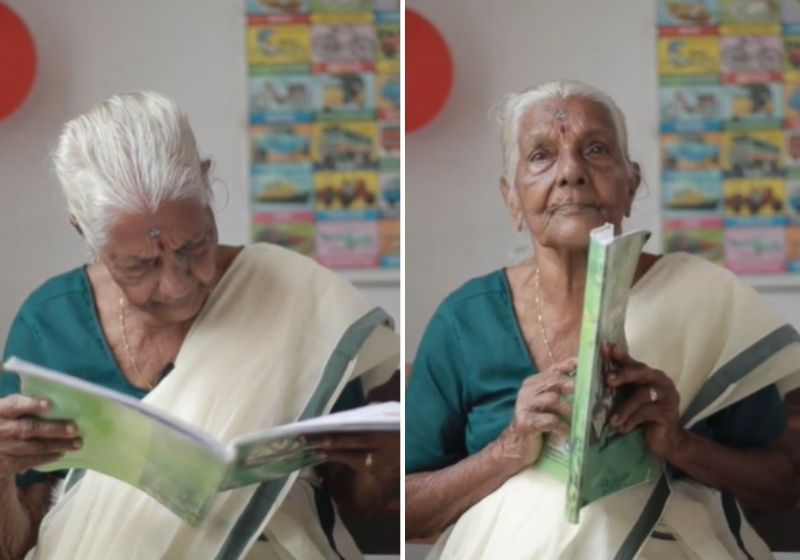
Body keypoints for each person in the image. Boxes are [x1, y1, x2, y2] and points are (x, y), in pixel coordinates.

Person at [405, 80, 800, 559]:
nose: (571, 171)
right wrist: (507, 449)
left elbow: (782, 486)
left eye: (595, 149)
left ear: (631, 184)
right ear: (512, 198)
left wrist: (678, 444)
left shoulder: (704, 302)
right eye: (540, 155)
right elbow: (406, 510)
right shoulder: (465, 320)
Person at [0, 91, 399, 560]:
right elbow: (17, 543)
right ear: (82, 232)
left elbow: (370, 515)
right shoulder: (51, 324)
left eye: (193, 246)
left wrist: (386, 465)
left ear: (208, 187)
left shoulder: (297, 301)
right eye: (139, 266)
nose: (176, 285)